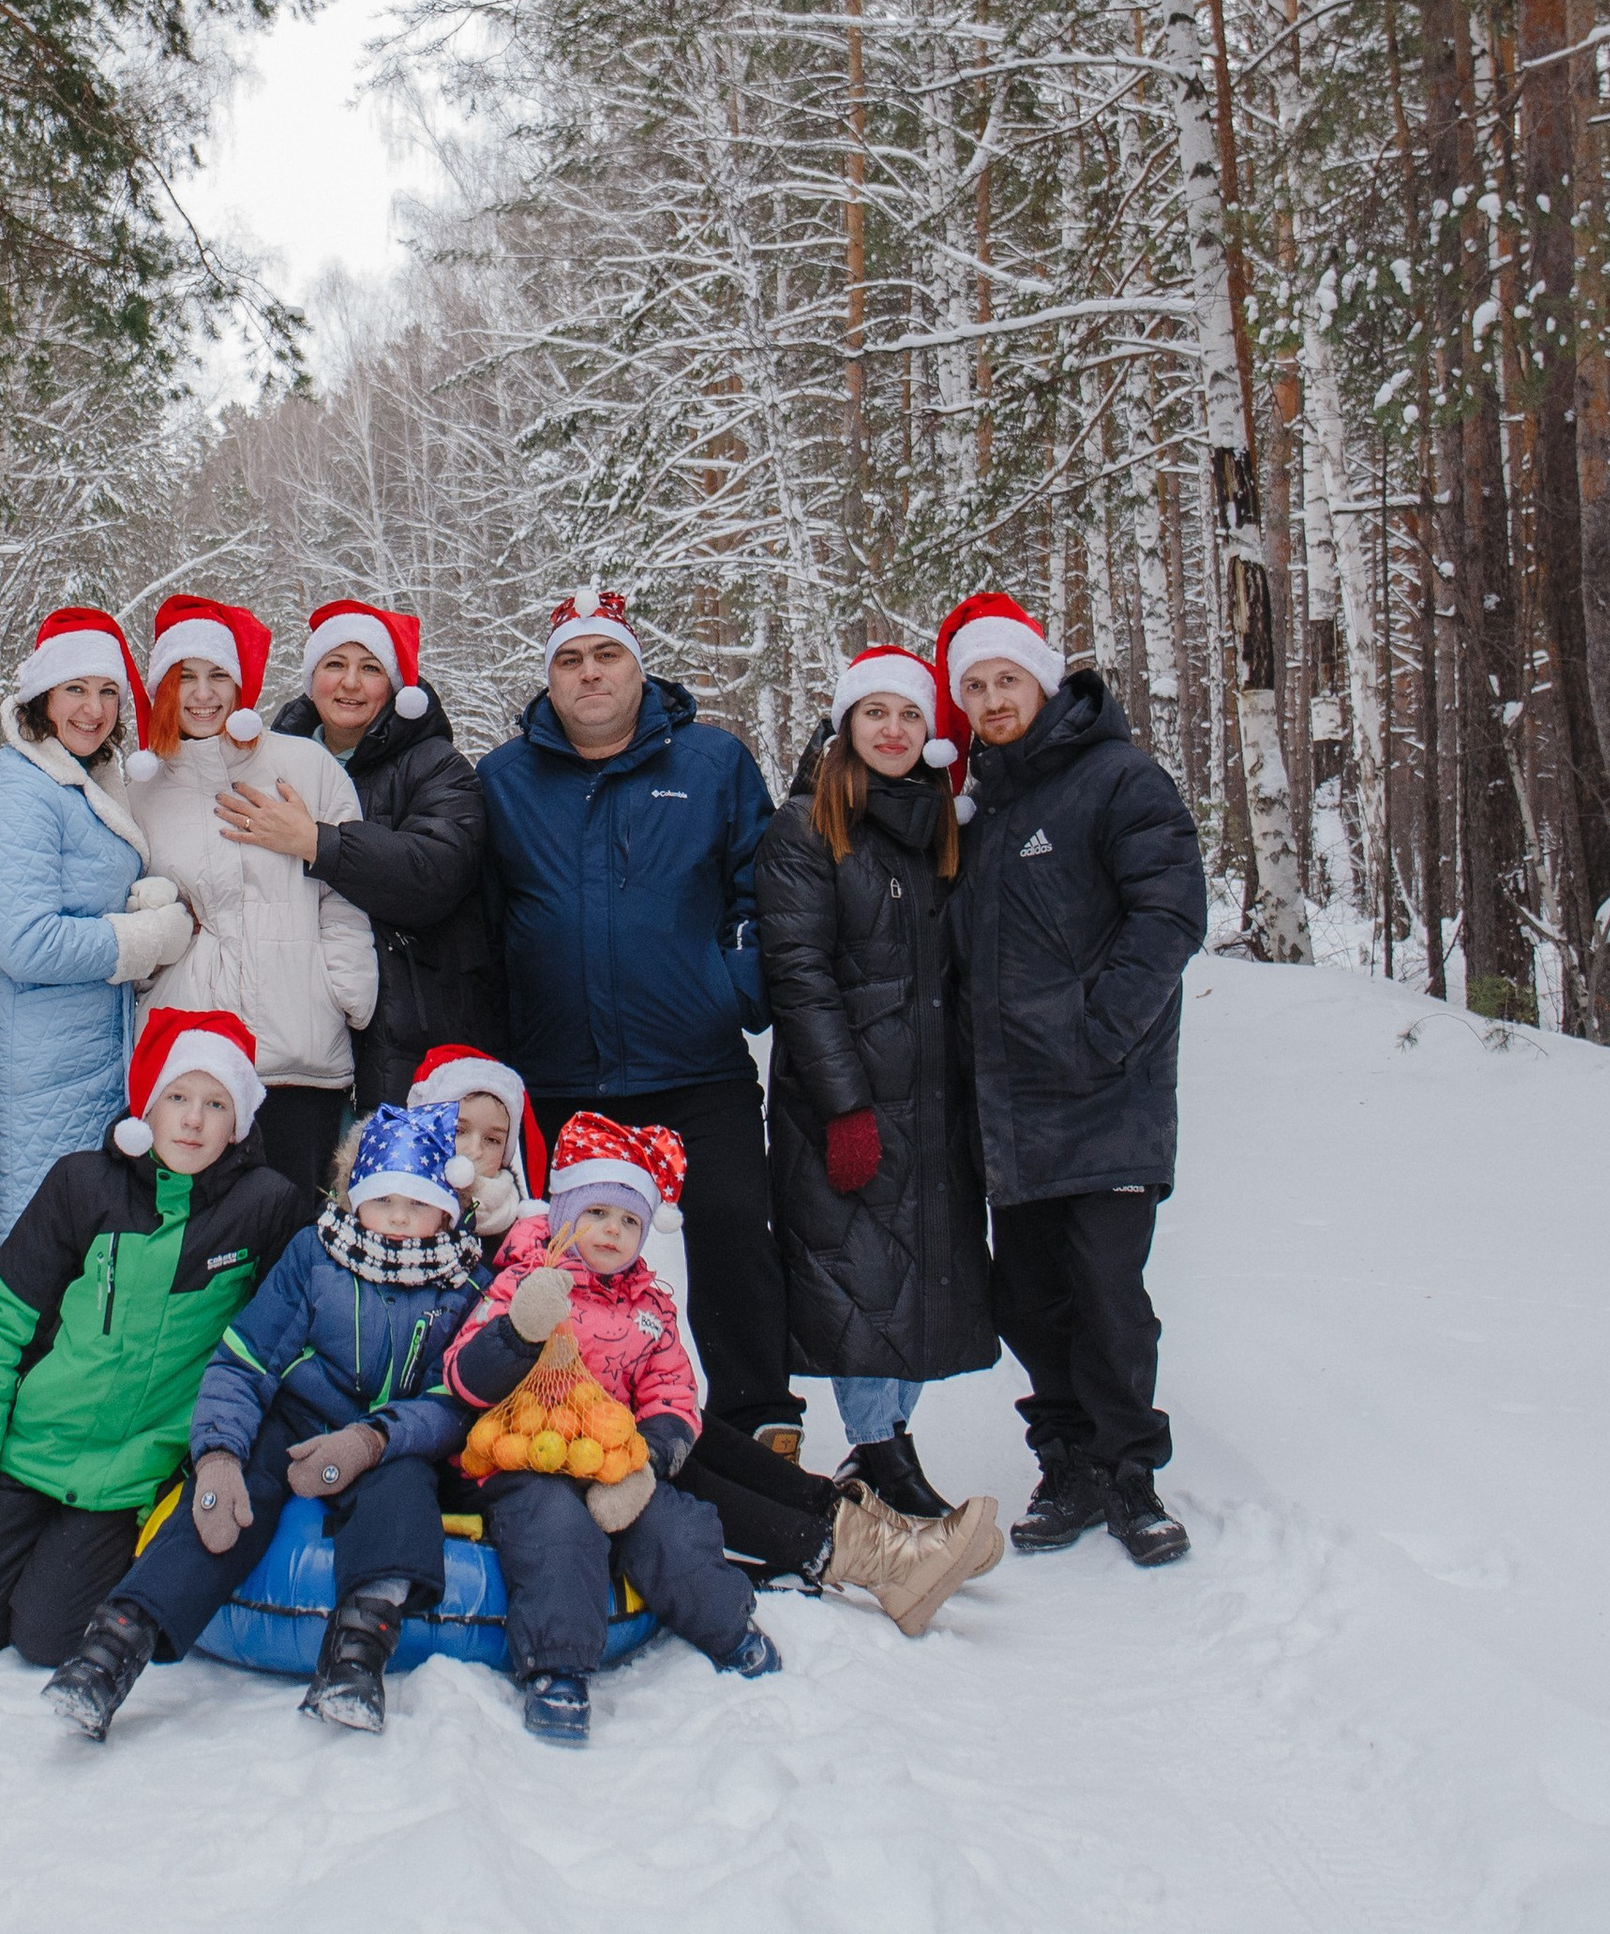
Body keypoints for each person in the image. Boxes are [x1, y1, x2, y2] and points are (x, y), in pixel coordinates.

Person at [42, 1098, 485, 1740]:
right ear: (353, 1196)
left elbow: (454, 1403)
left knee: (402, 1495)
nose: (395, 1219)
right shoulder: (315, 1256)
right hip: (299, 1420)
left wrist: (373, 1439)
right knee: (229, 1503)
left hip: (387, 1438)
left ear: (447, 1210)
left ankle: (356, 1659)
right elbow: (243, 1360)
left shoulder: (465, 1287)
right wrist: (217, 1453)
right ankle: (114, 1647)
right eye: (382, 1200)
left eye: (416, 1205)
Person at [476, 585, 801, 1452]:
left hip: (693, 1061)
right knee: (549, 1259)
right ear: (549, 679)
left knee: (737, 1232)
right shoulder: (505, 781)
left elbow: (755, 889)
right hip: (557, 1073)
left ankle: (759, 1418)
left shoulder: (711, 764)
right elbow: (484, 917)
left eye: (606, 655)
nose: (590, 674)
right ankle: (564, 1419)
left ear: (637, 665)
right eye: (570, 660)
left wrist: (732, 987)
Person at [933, 591, 1208, 1568]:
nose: (991, 697)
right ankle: (1068, 1459)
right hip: (1009, 1107)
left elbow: (1170, 909)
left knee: (1104, 1290)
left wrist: (1104, 1029)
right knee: (1026, 1298)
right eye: (974, 684)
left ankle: (1131, 1473)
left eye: (1007, 678)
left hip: (1105, 1094)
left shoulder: (1118, 777)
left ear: (1044, 682)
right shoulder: (977, 805)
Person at [0, 1008, 305, 1668]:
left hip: (129, 1476)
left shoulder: (263, 1208)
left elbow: (278, 1337)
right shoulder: (80, 1185)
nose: (192, 1120)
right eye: (177, 1097)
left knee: (47, 1638)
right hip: (31, 1449)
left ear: (238, 1122)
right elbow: (1, 1330)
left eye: (215, 1104)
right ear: (147, 1106)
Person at [443, 1115, 784, 1743]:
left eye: (629, 1221)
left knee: (671, 1526)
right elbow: (465, 1377)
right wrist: (518, 1330)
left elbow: (675, 1394)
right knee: (556, 1531)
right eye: (596, 1212)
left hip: (611, 1462)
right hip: (524, 1460)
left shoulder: (651, 1307)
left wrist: (646, 1463)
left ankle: (728, 1627)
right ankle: (557, 1668)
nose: (612, 1231)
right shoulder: (525, 1280)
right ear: (565, 1212)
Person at [757, 644, 998, 1517]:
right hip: (846, 1098)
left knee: (923, 1275)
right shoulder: (806, 830)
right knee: (857, 1276)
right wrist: (845, 1106)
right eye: (875, 714)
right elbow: (799, 975)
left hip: (937, 1099)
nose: (892, 731)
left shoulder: (947, 825)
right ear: (847, 726)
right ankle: (880, 1450)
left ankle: (882, 1451)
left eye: (909, 716)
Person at [127, 593, 377, 1202]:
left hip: (300, 1049)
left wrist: (345, 990)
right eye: (186, 679)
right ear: (162, 688)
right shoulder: (140, 787)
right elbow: (127, 904)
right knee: (204, 1249)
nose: (204, 694)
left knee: (291, 1237)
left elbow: (342, 892)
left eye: (218, 677)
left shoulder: (304, 764)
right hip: (190, 1059)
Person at [0, 606, 193, 1239]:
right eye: (76, 690)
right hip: (43, 1067)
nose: (93, 709)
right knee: (41, 1259)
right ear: (43, 697)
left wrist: (141, 900)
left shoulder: (89, 778)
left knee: (88, 1263)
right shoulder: (22, 786)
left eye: (107, 693)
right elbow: (25, 941)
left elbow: (85, 895)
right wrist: (145, 938)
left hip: (97, 1056)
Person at [234, 599, 499, 1111]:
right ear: (312, 679)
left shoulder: (435, 765)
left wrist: (318, 841)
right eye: (335, 665)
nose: (350, 683)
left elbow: (436, 871)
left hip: (407, 1028)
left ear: (395, 687)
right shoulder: (270, 764)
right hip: (295, 1026)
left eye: (370, 668)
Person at [405, 1039, 545, 1250]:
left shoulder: (522, 1232)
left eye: (492, 1140)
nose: (474, 1151)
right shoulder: (396, 1210)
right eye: (458, 1131)